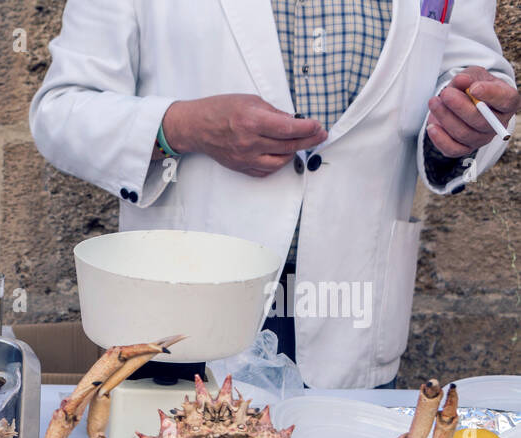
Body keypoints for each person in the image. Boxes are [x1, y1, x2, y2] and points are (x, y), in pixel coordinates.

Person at [30, 0, 518, 389]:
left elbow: (471, 80)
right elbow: (62, 109)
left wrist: (466, 126)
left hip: (350, 309)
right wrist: (183, 126)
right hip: (183, 309)